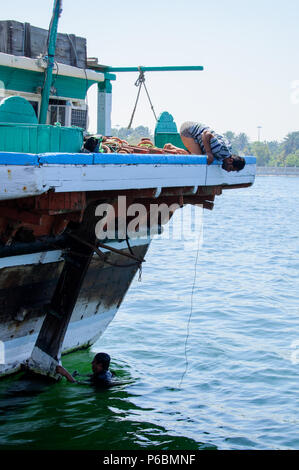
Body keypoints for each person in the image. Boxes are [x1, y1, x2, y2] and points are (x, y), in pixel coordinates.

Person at [180, 121, 245, 172]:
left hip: (192, 130)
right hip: (188, 130)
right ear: (230, 161)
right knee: (199, 159)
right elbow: (206, 134)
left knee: (200, 155)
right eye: (230, 168)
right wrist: (209, 153)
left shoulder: (225, 153)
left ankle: (171, 148)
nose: (228, 171)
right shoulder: (222, 151)